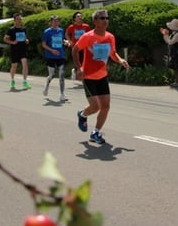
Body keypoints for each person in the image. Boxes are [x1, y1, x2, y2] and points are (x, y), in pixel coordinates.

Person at [73, 9, 130, 144]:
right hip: (89, 76)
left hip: (102, 76)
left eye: (107, 18)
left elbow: (113, 53)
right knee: (95, 107)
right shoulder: (88, 36)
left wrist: (120, 60)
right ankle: (82, 114)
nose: (105, 20)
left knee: (105, 107)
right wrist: (78, 68)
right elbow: (75, 50)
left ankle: (96, 132)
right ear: (95, 21)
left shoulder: (110, 37)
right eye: (102, 18)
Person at [41, 15, 68, 102]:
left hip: (60, 55)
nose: (56, 23)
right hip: (50, 56)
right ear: (51, 22)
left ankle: (62, 94)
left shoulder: (61, 30)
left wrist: (65, 42)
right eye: (54, 21)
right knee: (52, 75)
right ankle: (47, 85)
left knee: (61, 74)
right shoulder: (47, 32)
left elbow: (61, 40)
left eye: (57, 21)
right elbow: (44, 45)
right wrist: (52, 50)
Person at [4, 13, 31, 90]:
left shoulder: (23, 29)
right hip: (14, 50)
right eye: (18, 19)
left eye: (20, 19)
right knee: (14, 66)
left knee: (25, 64)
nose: (20, 20)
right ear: (14, 20)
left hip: (23, 49)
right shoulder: (11, 30)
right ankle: (12, 80)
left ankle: (25, 82)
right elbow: (5, 39)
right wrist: (12, 42)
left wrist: (26, 40)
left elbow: (25, 38)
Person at [65, 11, 91, 80]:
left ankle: (83, 77)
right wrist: (70, 41)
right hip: (75, 48)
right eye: (78, 16)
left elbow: (89, 35)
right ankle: (75, 70)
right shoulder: (72, 27)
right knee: (77, 62)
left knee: (84, 62)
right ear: (75, 19)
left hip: (84, 47)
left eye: (80, 16)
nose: (80, 17)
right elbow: (67, 34)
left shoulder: (86, 26)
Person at [160, 18, 178, 87]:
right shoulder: (174, 33)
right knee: (175, 67)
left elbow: (170, 42)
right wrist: (166, 35)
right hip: (174, 52)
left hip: (176, 52)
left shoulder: (177, 34)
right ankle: (177, 81)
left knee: (177, 67)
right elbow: (169, 41)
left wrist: (165, 35)